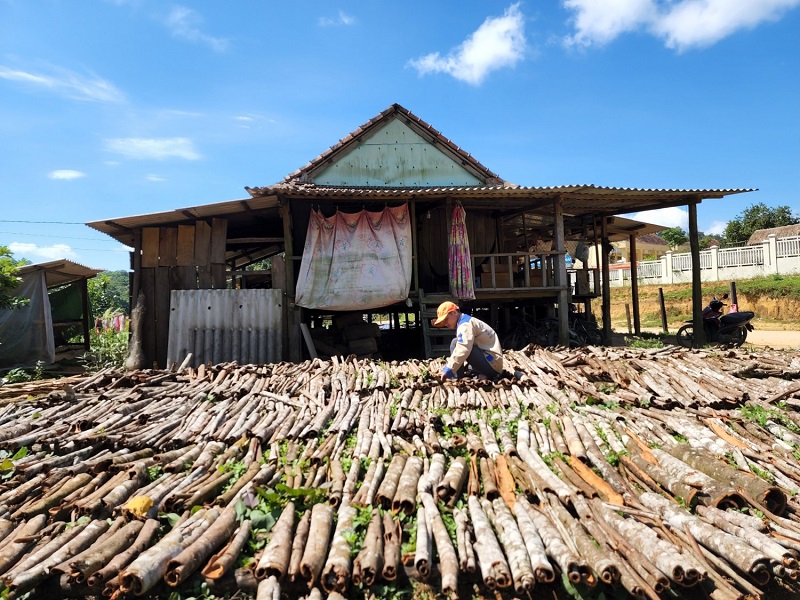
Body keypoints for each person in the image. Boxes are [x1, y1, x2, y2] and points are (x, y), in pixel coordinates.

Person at [432, 301, 504, 381]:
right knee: (457, 342)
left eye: (446, 319)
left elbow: (463, 348)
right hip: (492, 362)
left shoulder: (465, 325)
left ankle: (457, 377)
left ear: (454, 312)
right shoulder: (467, 321)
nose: (446, 324)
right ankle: (463, 373)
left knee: (456, 343)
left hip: (492, 366)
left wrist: (448, 370)